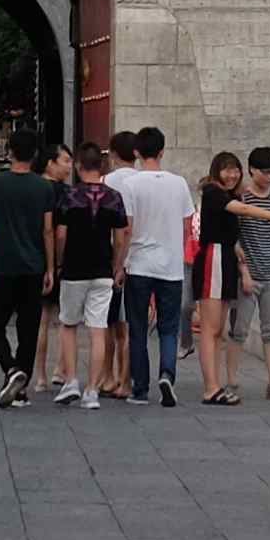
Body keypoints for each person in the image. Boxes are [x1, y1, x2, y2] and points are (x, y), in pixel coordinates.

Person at [109, 128, 192, 408]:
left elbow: (127, 230)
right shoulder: (179, 183)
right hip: (171, 266)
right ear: (162, 151)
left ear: (136, 152)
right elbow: (186, 226)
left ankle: (140, 389)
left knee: (138, 328)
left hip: (139, 264)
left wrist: (120, 265)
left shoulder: (131, 185)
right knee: (169, 328)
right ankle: (167, 374)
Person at [0, 135, 58, 406]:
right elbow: (48, 230)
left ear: (10, 153)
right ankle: (20, 388)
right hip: (34, 266)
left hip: (3, 265)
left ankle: (11, 368)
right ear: (35, 154)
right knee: (28, 329)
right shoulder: (44, 187)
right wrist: (51, 268)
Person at [50, 143, 122, 405]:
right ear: (101, 166)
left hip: (74, 268)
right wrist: (118, 265)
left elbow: (60, 234)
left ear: (78, 166)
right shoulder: (114, 197)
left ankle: (70, 380)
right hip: (103, 269)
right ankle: (92, 390)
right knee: (98, 329)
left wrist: (58, 261)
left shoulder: (70, 196)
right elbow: (121, 236)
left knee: (69, 325)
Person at [231, 145, 270, 401]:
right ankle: (231, 382)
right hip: (249, 275)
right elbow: (234, 239)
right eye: (265, 172)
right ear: (252, 170)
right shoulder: (241, 201)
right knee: (239, 331)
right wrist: (243, 271)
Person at [190, 151, 251, 404]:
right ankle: (210, 388)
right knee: (210, 328)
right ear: (217, 170)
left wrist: (240, 260)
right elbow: (241, 209)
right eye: (227, 169)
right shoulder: (213, 192)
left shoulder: (227, 194)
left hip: (225, 259)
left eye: (235, 169)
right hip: (213, 258)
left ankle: (215, 385)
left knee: (218, 331)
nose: (232, 174)